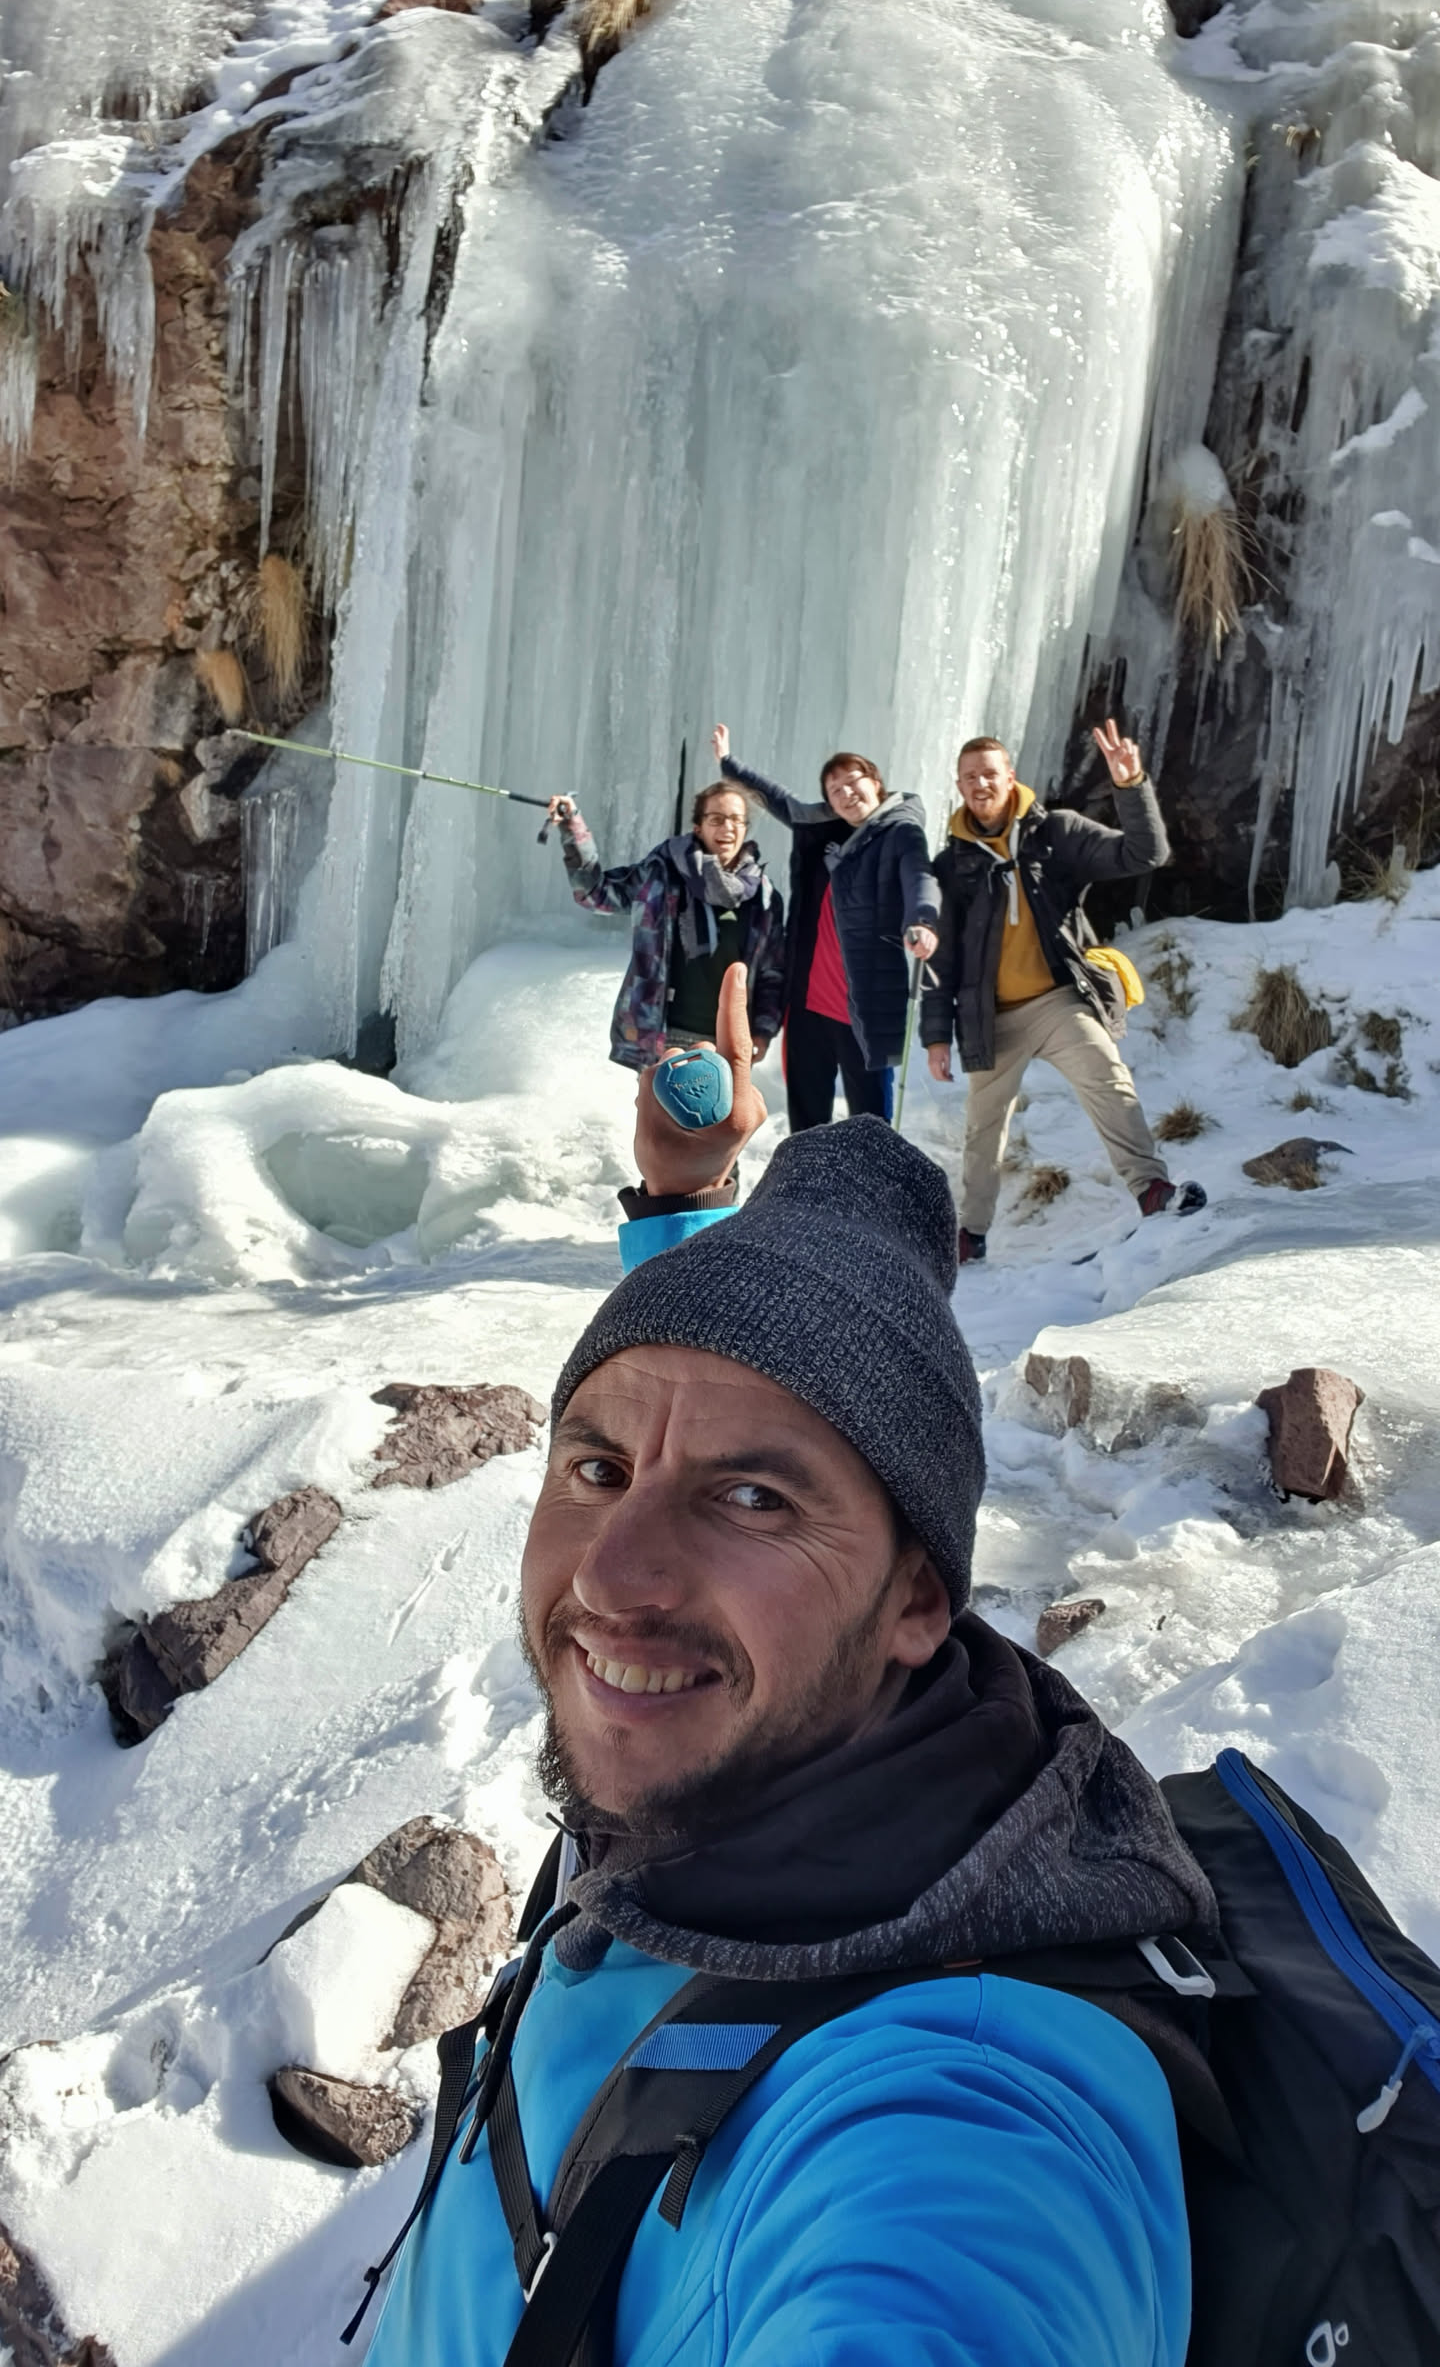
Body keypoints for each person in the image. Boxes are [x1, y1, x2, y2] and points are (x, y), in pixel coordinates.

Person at [360, 964, 1212, 2367]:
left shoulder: (954, 2117)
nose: (613, 1579)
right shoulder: (767, 1729)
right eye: (596, 1469)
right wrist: (688, 1208)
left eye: (753, 1499)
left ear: (918, 1598)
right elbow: (713, 1394)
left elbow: (937, 2286)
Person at [922, 719, 1205, 1262]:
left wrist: (1130, 785)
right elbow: (943, 959)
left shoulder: (1055, 833)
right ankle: (971, 1234)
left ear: (1011, 777)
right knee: (983, 1128)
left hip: (1057, 999)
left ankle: (1150, 1188)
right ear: (958, 787)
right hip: (990, 1016)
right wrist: (937, 1036)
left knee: (1108, 1076)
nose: (980, 784)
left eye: (989, 773)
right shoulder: (950, 866)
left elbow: (1143, 855)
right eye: (970, 777)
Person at [711, 723, 938, 1133]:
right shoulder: (822, 831)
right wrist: (729, 764)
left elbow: (919, 876)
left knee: (871, 1126)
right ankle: (805, 1177)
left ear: (876, 783)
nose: (846, 793)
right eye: (835, 789)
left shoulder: (902, 832)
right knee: (806, 1123)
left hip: (865, 1011)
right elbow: (778, 799)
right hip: (807, 1007)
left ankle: (870, 1179)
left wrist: (923, 920)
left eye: (853, 782)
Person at [546, 779, 785, 1070]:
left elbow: (771, 972)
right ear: (698, 827)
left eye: (736, 819)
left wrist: (762, 1031)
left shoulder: (763, 897)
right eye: (716, 819)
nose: (727, 827)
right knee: (660, 1103)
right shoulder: (663, 874)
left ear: (746, 828)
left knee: (723, 1104)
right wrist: (573, 827)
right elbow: (596, 893)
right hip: (664, 1036)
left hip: (729, 1041)